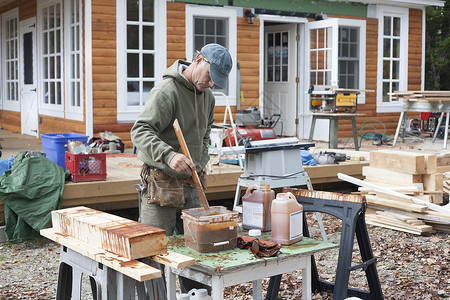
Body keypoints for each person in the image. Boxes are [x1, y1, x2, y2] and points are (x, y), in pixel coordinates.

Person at [131, 43, 232, 293]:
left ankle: (196, 297)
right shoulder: (167, 91)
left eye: (216, 82)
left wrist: (202, 156)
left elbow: (206, 132)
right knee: (154, 254)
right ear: (198, 61)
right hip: (161, 185)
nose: (211, 84)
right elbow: (140, 131)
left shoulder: (207, 96)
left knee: (197, 252)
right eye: (210, 77)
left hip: (193, 184)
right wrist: (169, 155)